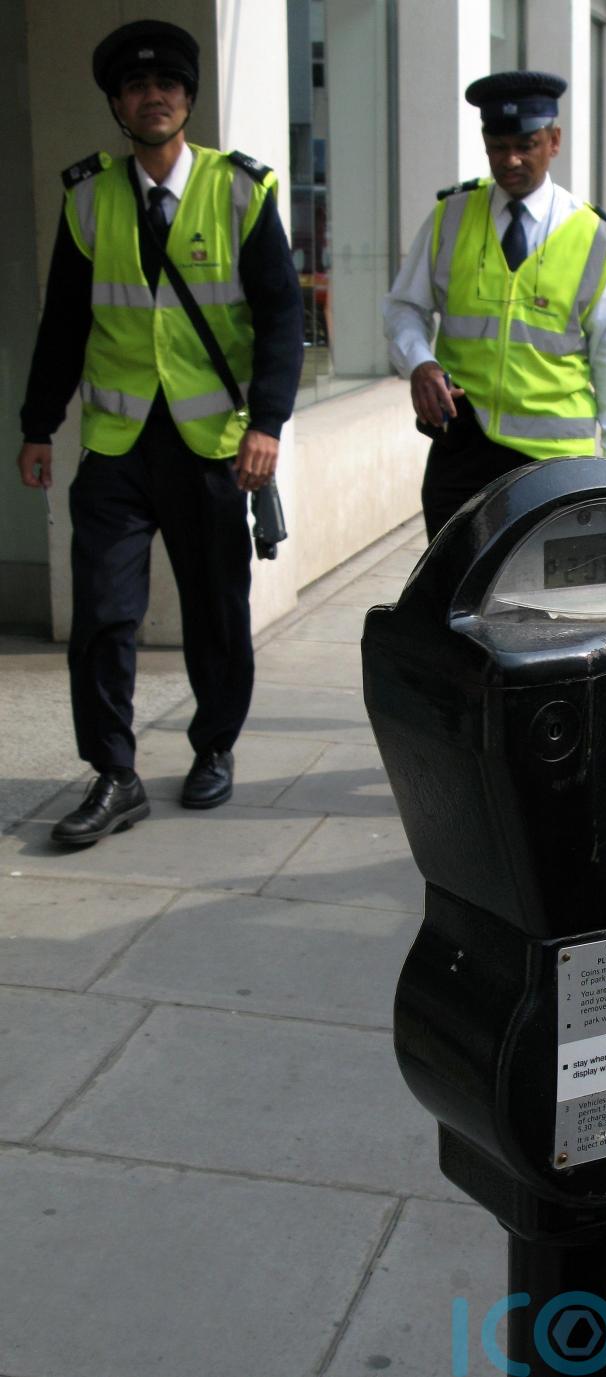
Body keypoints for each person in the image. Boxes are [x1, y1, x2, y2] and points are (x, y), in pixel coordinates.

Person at [17, 19, 304, 846]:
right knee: (105, 613)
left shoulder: (241, 191)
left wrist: (269, 424)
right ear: (116, 103)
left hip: (214, 443)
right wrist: (40, 426)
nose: (155, 97)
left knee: (217, 609)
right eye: (138, 88)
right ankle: (114, 773)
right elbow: (63, 324)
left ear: (189, 99)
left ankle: (214, 745)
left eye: (169, 86)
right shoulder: (87, 197)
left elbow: (283, 317)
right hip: (115, 444)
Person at [383, 70, 606, 541]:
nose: (511, 160)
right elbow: (404, 307)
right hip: (463, 448)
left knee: (545, 605)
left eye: (526, 144)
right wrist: (420, 363)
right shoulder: (451, 217)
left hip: (556, 460)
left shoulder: (591, 235)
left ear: (554, 141)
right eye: (498, 145)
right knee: (452, 599)